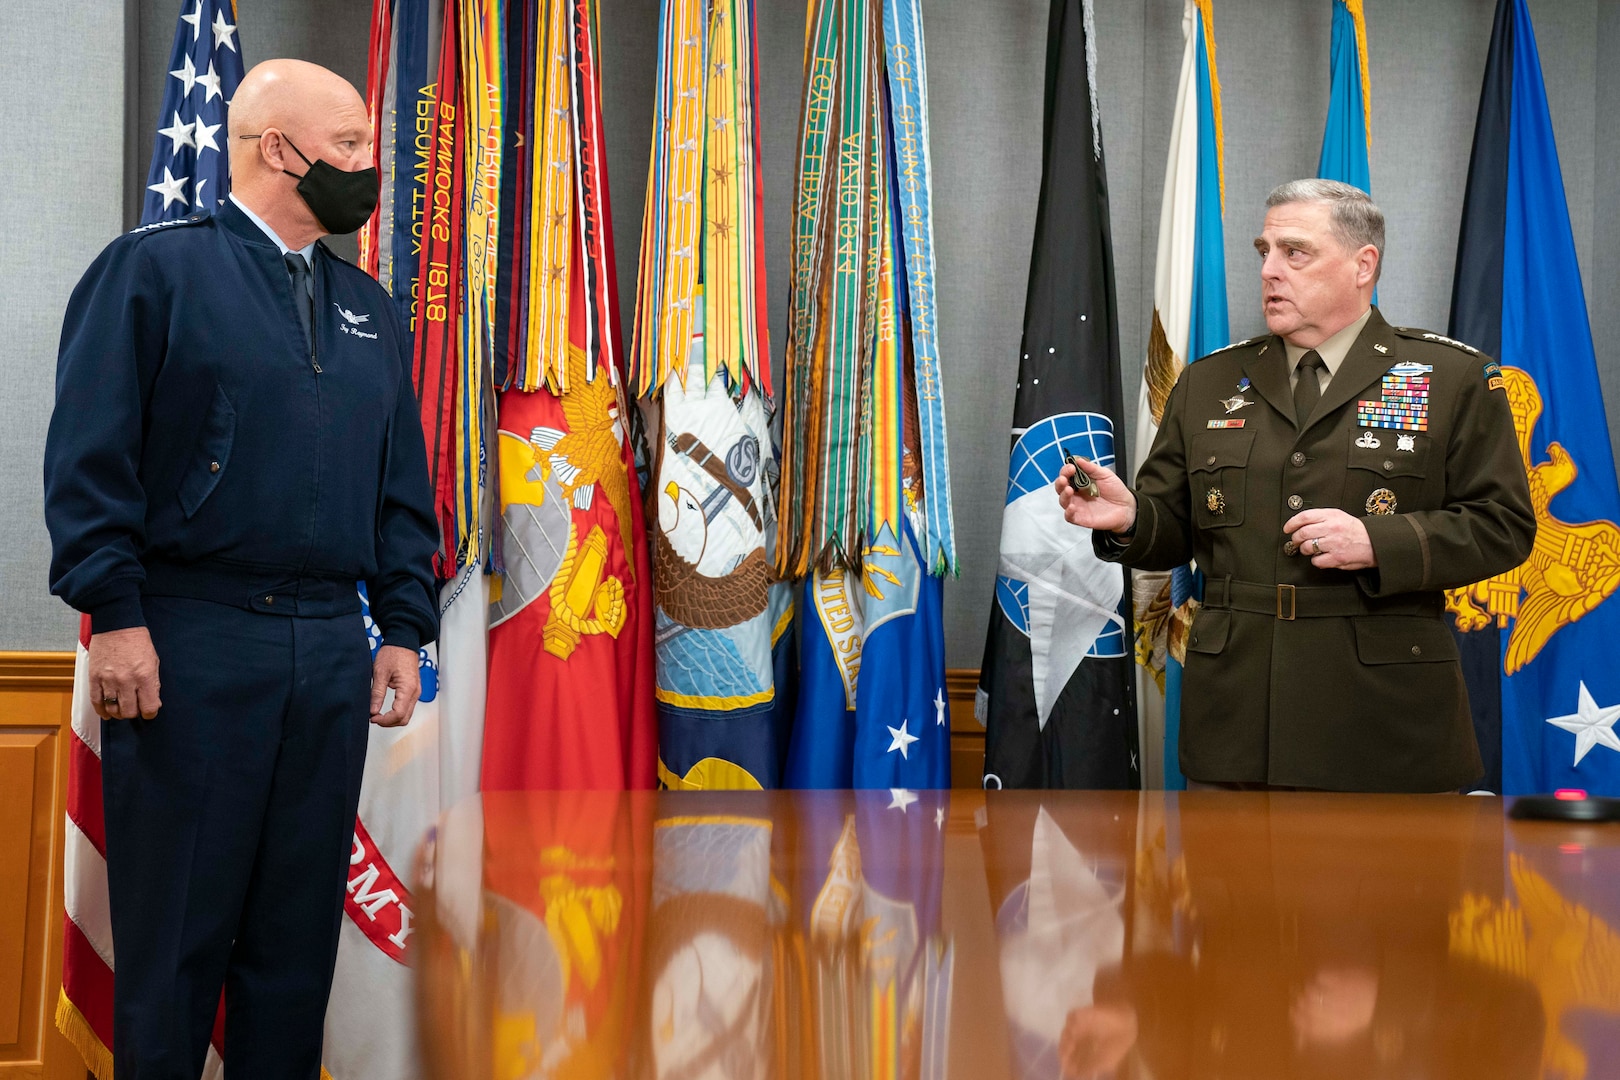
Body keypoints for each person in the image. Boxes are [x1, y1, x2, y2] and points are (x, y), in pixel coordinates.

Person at [43, 59, 439, 1077]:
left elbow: (402, 485)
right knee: (175, 950)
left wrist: (403, 624)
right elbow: (91, 460)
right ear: (278, 149)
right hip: (190, 644)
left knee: (292, 956)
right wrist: (116, 614)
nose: (367, 164)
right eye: (350, 144)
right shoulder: (152, 271)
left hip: (327, 658)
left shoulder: (369, 310)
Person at [1056, 179, 1534, 793]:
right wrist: (1129, 520)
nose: (1269, 271)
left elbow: (1504, 526)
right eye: (1264, 251)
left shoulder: (1450, 378)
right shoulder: (1209, 381)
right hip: (1236, 721)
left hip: (1384, 723)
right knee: (1231, 891)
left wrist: (1377, 543)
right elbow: (1173, 532)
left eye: (1295, 252)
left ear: (1365, 265)